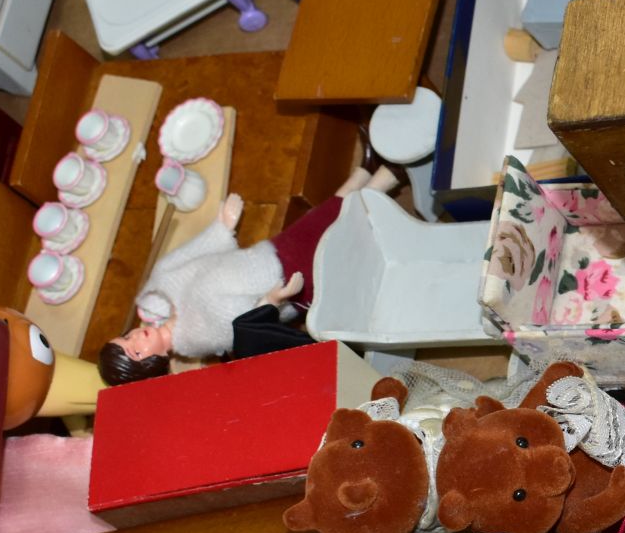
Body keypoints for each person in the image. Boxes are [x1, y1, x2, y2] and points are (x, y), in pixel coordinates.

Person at [97, 165, 399, 386]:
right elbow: (244, 327)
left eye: (126, 337)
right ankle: (385, 179)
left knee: (314, 221)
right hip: (284, 278)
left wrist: (221, 228)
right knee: (334, 231)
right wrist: (273, 299)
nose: (136, 337)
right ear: (153, 363)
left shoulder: (163, 297)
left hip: (266, 256)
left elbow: (185, 260)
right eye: (136, 351)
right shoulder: (194, 338)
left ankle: (363, 172)